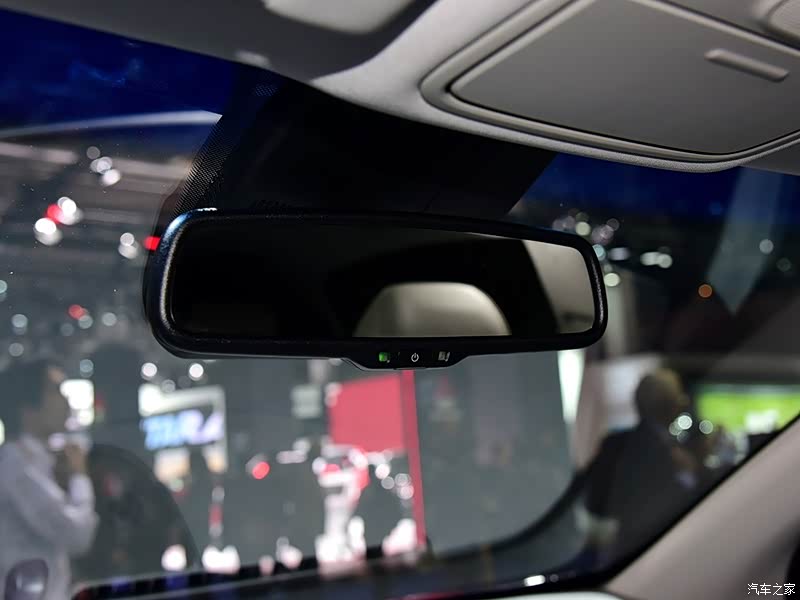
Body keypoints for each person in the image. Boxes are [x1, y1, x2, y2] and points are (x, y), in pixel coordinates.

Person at [0, 360, 98, 599]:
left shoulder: (37, 460)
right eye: (55, 391)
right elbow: (76, 535)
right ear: (28, 406)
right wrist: (79, 476)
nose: (65, 400)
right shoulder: (15, 465)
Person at [584, 368, 699, 560]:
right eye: (679, 397)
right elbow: (683, 503)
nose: (683, 402)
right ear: (669, 404)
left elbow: (594, 499)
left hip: (619, 549)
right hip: (656, 552)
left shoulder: (613, 444)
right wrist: (688, 475)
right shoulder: (670, 454)